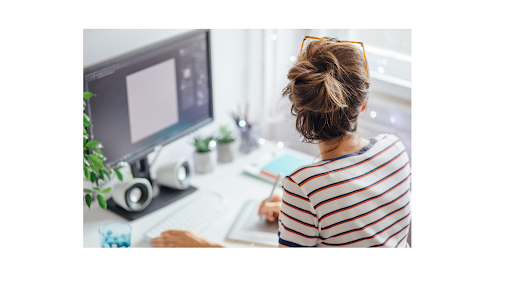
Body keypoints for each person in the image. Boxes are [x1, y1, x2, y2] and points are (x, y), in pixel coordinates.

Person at [151, 37, 411, 248]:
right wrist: (298, 217)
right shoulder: (395, 148)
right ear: (362, 106)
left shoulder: (305, 185)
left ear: (298, 106)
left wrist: (206, 248)